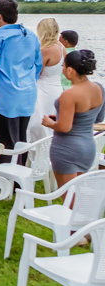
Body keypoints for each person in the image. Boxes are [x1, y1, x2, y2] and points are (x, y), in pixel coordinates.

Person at [0, 0, 43, 163]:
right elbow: (37, 66)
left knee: (5, 144)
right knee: (20, 140)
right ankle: (20, 179)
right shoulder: (30, 36)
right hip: (27, 95)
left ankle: (8, 181)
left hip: (5, 98)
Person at [43, 50, 104, 190]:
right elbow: (98, 118)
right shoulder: (99, 88)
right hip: (88, 147)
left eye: (63, 66)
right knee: (80, 195)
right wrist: (60, 116)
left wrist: (49, 123)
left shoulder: (69, 94)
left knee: (68, 199)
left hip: (67, 149)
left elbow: (64, 127)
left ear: (70, 70)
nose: (62, 70)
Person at [28, 18, 66, 142]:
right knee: (52, 123)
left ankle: (37, 154)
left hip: (42, 91)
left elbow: (36, 73)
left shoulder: (45, 50)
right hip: (56, 89)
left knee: (37, 124)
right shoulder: (61, 47)